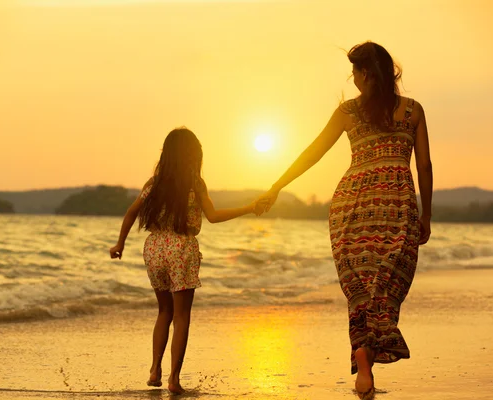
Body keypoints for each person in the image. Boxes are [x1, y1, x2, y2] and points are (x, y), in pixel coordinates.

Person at [257, 41, 433, 399]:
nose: (351, 78)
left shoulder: (349, 112)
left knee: (359, 291)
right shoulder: (412, 111)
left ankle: (363, 361)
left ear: (365, 73)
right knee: (385, 287)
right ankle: (366, 359)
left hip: (350, 208)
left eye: (354, 71)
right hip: (397, 208)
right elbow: (425, 166)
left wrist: (276, 186)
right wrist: (426, 214)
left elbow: (313, 153)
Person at [110, 127, 262, 395]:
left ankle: (154, 369)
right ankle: (174, 379)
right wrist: (249, 208)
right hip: (181, 249)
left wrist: (120, 243)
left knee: (163, 312)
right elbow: (213, 216)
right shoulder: (195, 183)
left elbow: (132, 211)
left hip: (154, 248)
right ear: (193, 155)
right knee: (181, 316)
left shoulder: (153, 184)